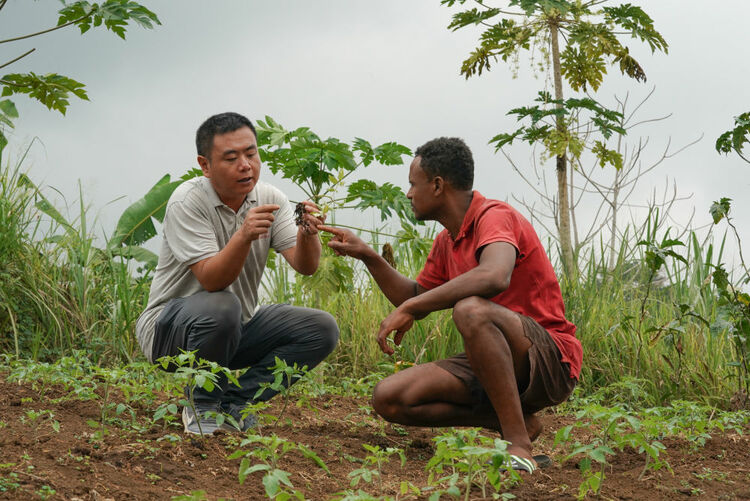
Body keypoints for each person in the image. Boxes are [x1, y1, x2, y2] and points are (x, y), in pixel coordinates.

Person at [320, 137, 581, 472]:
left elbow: (494, 275)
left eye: (413, 184)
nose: (409, 194)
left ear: (438, 185)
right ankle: (518, 422)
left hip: (549, 359)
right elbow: (415, 295)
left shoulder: (494, 217)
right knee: (390, 397)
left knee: (470, 309)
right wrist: (369, 256)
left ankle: (519, 446)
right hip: (494, 359)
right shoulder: (446, 240)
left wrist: (412, 309)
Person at [135, 112, 339, 435]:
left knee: (321, 329)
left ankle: (234, 400)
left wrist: (308, 233)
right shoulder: (187, 202)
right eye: (231, 158)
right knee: (224, 305)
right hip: (169, 331)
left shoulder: (270, 198)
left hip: (233, 327)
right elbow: (212, 280)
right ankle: (202, 405)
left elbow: (306, 265)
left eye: (251, 153)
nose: (246, 165)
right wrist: (243, 235)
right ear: (205, 165)